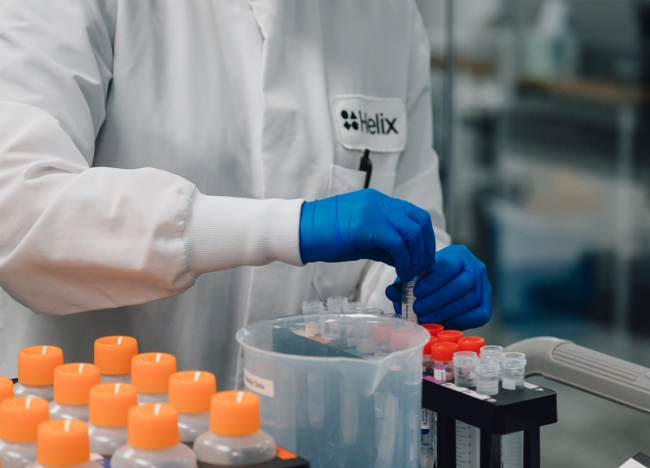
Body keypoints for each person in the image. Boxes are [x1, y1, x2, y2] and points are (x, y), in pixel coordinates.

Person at [0, 0, 491, 388]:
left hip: (309, 442)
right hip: (93, 439)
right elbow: (19, 206)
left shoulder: (390, 15)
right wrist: (289, 229)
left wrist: (415, 287)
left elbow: (404, 225)